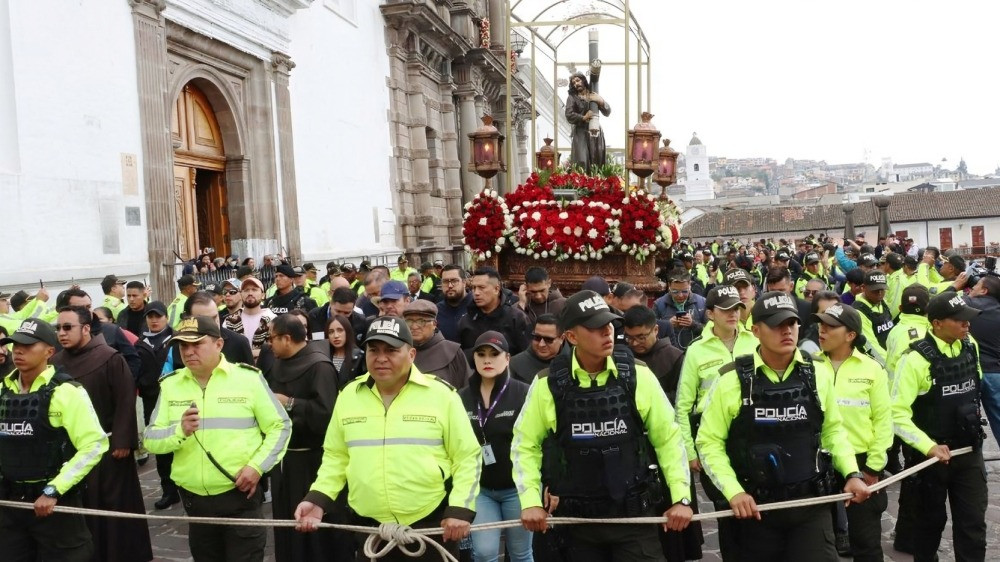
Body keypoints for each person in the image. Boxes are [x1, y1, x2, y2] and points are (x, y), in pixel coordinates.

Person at [512, 290, 694, 560]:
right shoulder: (546, 385)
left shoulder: (638, 375)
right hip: (575, 524)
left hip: (634, 520)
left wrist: (681, 497)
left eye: (609, 324)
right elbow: (524, 446)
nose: (607, 332)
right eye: (595, 327)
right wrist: (530, 501)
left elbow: (668, 438)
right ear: (571, 337)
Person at [696, 291, 870, 561]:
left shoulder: (817, 373)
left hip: (810, 506)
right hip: (755, 510)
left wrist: (851, 472)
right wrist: (734, 492)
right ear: (755, 330)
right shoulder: (731, 381)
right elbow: (709, 442)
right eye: (777, 324)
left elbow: (832, 431)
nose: (787, 331)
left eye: (792, 323)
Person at [294, 316, 481, 561]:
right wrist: (318, 498)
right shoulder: (348, 395)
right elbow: (336, 456)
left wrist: (461, 507)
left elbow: (467, 457)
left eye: (391, 350)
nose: (381, 358)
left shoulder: (442, 396)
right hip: (369, 529)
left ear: (411, 354)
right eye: (374, 350)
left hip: (430, 525)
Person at [144, 316, 291, 562]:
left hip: (239, 495)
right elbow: (150, 439)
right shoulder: (171, 385)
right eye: (183, 346)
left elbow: (280, 426)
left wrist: (257, 467)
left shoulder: (248, 379)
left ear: (219, 344)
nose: (188, 352)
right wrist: (179, 431)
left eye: (196, 344)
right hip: (194, 502)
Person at [0, 320, 109, 561]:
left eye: (28, 346)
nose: (18, 351)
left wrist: (54, 490)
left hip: (54, 503)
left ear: (49, 351)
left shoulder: (67, 392)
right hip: (9, 504)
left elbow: (94, 444)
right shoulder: (2, 391)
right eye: (15, 345)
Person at [51, 306, 152, 562]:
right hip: (71, 450)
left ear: (86, 328)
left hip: (109, 446)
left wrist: (122, 440)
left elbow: (125, 399)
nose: (61, 333)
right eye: (58, 328)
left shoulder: (109, 357)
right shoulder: (55, 363)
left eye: (68, 327)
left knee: (112, 507)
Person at [892, 292, 987, 561]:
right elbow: (896, 414)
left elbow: (976, 387)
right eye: (959, 320)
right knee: (928, 526)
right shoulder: (914, 360)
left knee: (973, 525)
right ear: (937, 323)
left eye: (968, 319)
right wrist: (928, 446)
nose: (967, 324)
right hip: (931, 460)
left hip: (969, 452)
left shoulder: (970, 346)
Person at [673, 284, 758, 561]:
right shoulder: (696, 351)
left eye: (737, 308)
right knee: (727, 512)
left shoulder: (754, 341)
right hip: (713, 439)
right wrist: (690, 451)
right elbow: (683, 405)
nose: (733, 314)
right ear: (710, 313)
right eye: (725, 310)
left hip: (751, 435)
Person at [266, 314, 350, 562]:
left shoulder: (319, 366)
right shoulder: (279, 362)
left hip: (312, 461)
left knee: (315, 535)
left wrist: (291, 403)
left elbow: (327, 415)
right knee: (287, 524)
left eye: (272, 338)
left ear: (287, 338)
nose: (269, 343)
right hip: (285, 460)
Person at [814, 304, 892, 561]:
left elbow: (883, 421)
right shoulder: (808, 365)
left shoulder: (872, 369)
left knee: (866, 541)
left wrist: (873, 467)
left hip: (861, 462)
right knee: (816, 540)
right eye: (821, 324)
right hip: (817, 462)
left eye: (830, 326)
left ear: (850, 335)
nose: (822, 330)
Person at [458, 332, 532, 562]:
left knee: (520, 553)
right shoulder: (461, 397)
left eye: (494, 354)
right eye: (481, 354)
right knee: (484, 553)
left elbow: (537, 442)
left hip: (517, 489)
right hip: (480, 490)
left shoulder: (524, 392)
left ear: (507, 358)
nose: (487, 360)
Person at [459, 267, 530, 358]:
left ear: (496, 289)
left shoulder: (516, 318)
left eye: (481, 288)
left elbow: (526, 355)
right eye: (473, 288)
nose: (476, 293)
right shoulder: (465, 321)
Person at [622, 306, 684, 403]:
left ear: (655, 330)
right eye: (629, 338)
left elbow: (682, 396)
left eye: (641, 337)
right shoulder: (623, 357)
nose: (634, 343)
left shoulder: (675, 357)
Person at [965, 275, 1000, 444]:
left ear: (984, 291)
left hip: (972, 373)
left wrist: (955, 285)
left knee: (967, 420)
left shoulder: (970, 305)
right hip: (995, 372)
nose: (972, 288)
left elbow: (943, 301)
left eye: (976, 285)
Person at [405, 299, 470, 389]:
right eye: (409, 321)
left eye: (421, 321)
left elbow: (467, 389)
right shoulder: (400, 351)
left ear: (434, 324)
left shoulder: (452, 352)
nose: (414, 326)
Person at [565, 71, 610, 171]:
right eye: (573, 83)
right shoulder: (572, 98)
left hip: (595, 131)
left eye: (577, 80)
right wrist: (583, 117)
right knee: (581, 160)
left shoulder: (593, 95)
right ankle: (581, 179)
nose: (576, 84)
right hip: (580, 131)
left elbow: (607, 112)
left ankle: (597, 179)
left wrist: (601, 101)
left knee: (597, 159)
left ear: (583, 80)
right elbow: (569, 114)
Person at [653, 268, 707, 350]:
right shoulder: (659, 304)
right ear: (669, 286)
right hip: (671, 353)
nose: (680, 295)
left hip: (696, 352)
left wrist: (693, 324)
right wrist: (667, 325)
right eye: (675, 292)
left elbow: (711, 331)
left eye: (685, 291)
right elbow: (651, 332)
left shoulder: (702, 302)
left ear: (690, 285)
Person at [223, 276, 275, 360]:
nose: (250, 293)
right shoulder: (229, 321)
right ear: (241, 294)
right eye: (246, 290)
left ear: (263, 295)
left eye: (254, 289)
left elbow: (277, 348)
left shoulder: (273, 320)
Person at [853, 270, 895, 366]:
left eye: (882, 289)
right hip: (877, 364)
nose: (879, 293)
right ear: (863, 287)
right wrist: (890, 366)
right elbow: (870, 346)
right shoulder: (859, 312)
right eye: (875, 290)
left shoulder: (881, 302)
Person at [509, 313, 566, 383]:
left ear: (562, 338)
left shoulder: (573, 363)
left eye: (548, 339)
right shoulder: (514, 364)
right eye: (537, 337)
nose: (541, 344)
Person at [325, 314, 364, 388]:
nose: (336, 336)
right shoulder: (324, 356)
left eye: (340, 330)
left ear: (347, 332)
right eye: (331, 332)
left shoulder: (359, 357)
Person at [437, 264, 472, 343]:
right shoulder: (437, 310)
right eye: (445, 281)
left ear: (464, 283)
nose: (450, 285)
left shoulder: (477, 305)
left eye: (454, 281)